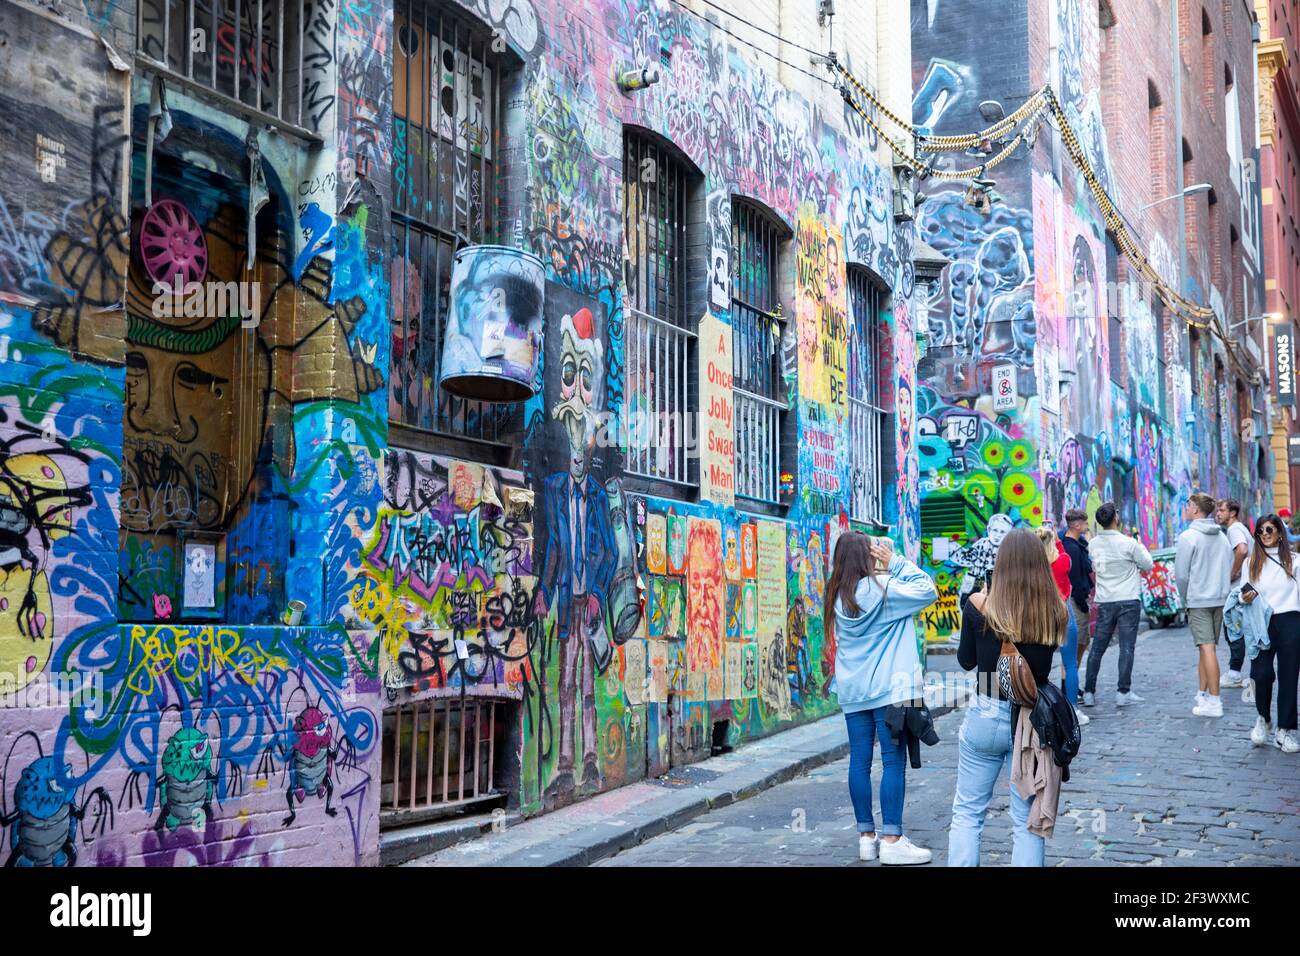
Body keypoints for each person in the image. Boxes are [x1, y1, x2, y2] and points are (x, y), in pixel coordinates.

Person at [949, 529, 1068, 866]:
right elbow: (1043, 664)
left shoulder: (978, 605)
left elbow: (967, 661)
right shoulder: (1054, 610)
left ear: (999, 563)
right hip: (1030, 721)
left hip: (986, 710)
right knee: (1026, 821)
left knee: (968, 812)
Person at [826, 532, 939, 864]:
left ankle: (866, 836)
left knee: (859, 761)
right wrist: (896, 562)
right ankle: (892, 838)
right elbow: (927, 590)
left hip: (853, 690)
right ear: (867, 557)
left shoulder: (835, 595)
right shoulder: (883, 589)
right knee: (892, 761)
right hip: (891, 689)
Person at [1082, 503, 1154, 707]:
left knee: (1097, 647)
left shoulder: (1093, 544)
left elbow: (1094, 566)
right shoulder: (1129, 543)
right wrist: (1140, 544)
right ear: (1115, 518)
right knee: (1126, 647)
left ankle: (1089, 691)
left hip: (1105, 600)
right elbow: (1147, 564)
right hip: (1128, 599)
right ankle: (1123, 692)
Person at [1240, 514, 1300, 752]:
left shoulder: (1294, 561)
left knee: (1288, 678)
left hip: (1290, 620)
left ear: (1279, 533)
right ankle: (1263, 718)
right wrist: (1246, 595)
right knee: (1261, 674)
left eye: (1270, 530)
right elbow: (1243, 588)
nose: (1265, 534)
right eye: (1260, 531)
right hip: (1260, 621)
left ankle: (1285, 730)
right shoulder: (1251, 562)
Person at [1174, 493, 1234, 718]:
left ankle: (1215, 702)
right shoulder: (1222, 536)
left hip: (1198, 599)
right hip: (1218, 599)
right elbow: (1228, 566)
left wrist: (1185, 598)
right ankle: (1203, 693)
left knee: (1206, 648)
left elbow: (1181, 574)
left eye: (1189, 505)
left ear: (1196, 510)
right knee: (1206, 648)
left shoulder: (1188, 537)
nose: (1186, 508)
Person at [1035, 526, 1089, 726]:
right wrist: (1057, 540)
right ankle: (1073, 709)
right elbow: (1065, 556)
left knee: (1038, 664)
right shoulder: (1062, 561)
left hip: (1041, 614)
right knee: (1070, 664)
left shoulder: (1033, 566)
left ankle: (1040, 707)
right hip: (1063, 612)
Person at [1215, 499, 1252, 688]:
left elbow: (1242, 550)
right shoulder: (1239, 528)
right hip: (1245, 587)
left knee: (1233, 630)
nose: (1218, 514)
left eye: (1221, 510)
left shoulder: (1234, 529)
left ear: (1233, 513)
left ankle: (1234, 674)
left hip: (1238, 588)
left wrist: (1232, 574)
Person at [1058, 508, 1093, 697]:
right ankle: (1068, 687)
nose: (1087, 525)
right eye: (1085, 523)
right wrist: (1082, 604)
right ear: (1077, 525)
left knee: (1081, 642)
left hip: (1076, 600)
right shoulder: (1071, 547)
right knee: (1075, 645)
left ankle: (1071, 683)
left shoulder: (1075, 544)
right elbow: (1075, 580)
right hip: (1075, 602)